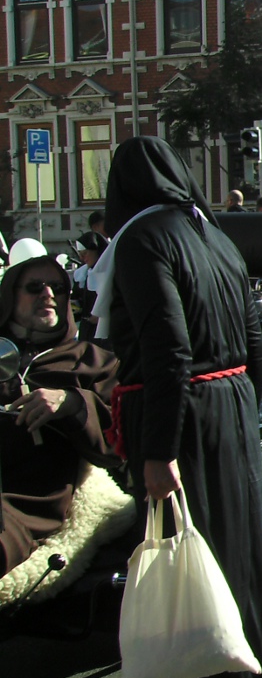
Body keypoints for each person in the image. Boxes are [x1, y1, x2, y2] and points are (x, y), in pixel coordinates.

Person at [99, 136, 262, 678]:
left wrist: (157, 451)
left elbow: (169, 350)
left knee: (189, 574)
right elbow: (255, 338)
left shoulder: (145, 242)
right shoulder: (215, 236)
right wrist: (243, 411)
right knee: (230, 563)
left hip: (186, 421)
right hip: (226, 408)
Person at [0, 246, 118, 576]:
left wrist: (71, 402)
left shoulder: (91, 360)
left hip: (25, 503)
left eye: (59, 288)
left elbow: (124, 436)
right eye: (35, 287)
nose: (49, 295)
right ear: (11, 296)